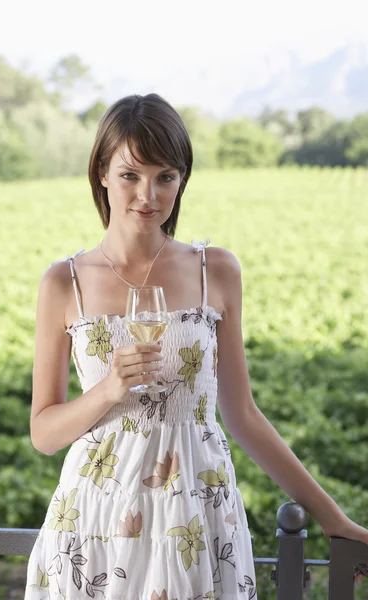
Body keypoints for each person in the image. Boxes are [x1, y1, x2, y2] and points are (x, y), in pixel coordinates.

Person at [24, 93, 367, 599]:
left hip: (198, 517)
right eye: (130, 175)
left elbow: (243, 415)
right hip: (95, 518)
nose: (149, 194)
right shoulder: (63, 283)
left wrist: (336, 521)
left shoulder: (217, 272)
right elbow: (43, 433)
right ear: (100, 171)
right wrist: (108, 390)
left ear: (182, 178)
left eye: (166, 176)